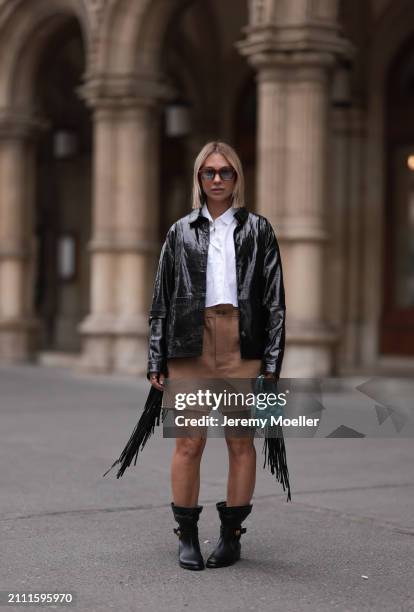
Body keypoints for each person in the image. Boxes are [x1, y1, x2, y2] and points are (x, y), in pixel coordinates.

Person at [147, 141, 288, 571]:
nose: (217, 180)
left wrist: (272, 360)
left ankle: (231, 537)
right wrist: (157, 356)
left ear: (237, 178)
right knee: (189, 442)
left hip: (243, 343)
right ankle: (186, 535)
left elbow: (275, 298)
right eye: (208, 172)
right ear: (198, 179)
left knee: (242, 442)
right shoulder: (180, 231)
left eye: (225, 172)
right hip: (189, 341)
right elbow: (162, 298)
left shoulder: (258, 229)